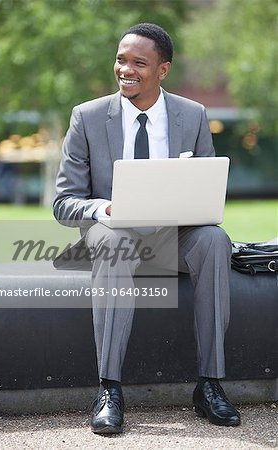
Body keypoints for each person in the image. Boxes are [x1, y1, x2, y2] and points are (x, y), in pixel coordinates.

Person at [53, 23, 241, 433]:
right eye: (121, 59)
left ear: (163, 70)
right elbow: (63, 203)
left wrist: (193, 208)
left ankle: (209, 385)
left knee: (214, 239)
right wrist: (105, 207)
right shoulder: (86, 117)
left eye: (140, 62)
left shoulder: (192, 115)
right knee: (115, 239)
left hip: (171, 236)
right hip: (111, 234)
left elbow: (204, 190)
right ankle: (109, 389)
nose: (126, 69)